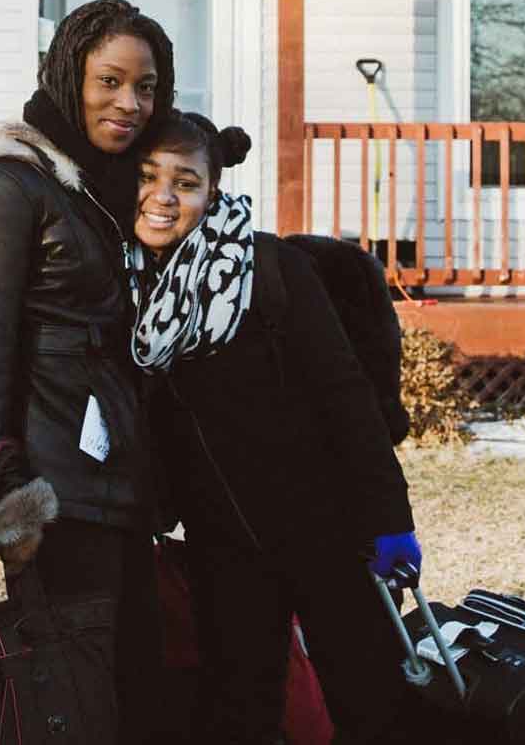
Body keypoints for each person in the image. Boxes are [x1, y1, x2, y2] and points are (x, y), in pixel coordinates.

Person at [0, 0, 177, 743]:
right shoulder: (6, 186)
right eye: (109, 81)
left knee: (127, 689)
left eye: (147, 86)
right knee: (72, 701)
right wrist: (2, 510)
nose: (129, 104)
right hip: (53, 501)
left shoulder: (106, 186)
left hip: (113, 490)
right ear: (68, 76)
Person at [133, 111, 423, 744]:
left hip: (327, 529)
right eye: (147, 176)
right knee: (242, 707)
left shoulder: (265, 267)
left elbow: (345, 394)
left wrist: (389, 517)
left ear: (212, 193)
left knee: (367, 696)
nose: (163, 195)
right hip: (222, 542)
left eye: (186, 182)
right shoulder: (131, 285)